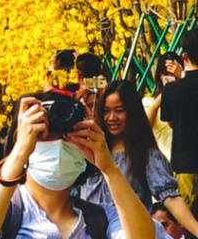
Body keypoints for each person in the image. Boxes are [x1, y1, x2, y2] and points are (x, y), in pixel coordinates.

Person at [0, 94, 154, 239]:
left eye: (69, 134)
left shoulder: (100, 218)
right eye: (45, 133)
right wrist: (19, 151)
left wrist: (109, 169)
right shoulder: (0, 208)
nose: (59, 143)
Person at [81, 81, 198, 239]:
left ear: (133, 112)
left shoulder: (146, 156)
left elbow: (170, 197)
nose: (112, 117)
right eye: (106, 111)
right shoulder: (88, 152)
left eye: (119, 111)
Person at [160, 30, 198, 209]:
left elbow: (171, 123)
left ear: (184, 56)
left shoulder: (171, 90)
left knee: (187, 223)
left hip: (185, 166)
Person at [146, 58, 184, 164]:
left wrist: (183, 79)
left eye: (174, 74)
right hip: (161, 161)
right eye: (166, 74)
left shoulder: (188, 100)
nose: (171, 78)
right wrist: (158, 102)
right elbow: (144, 129)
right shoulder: (148, 102)